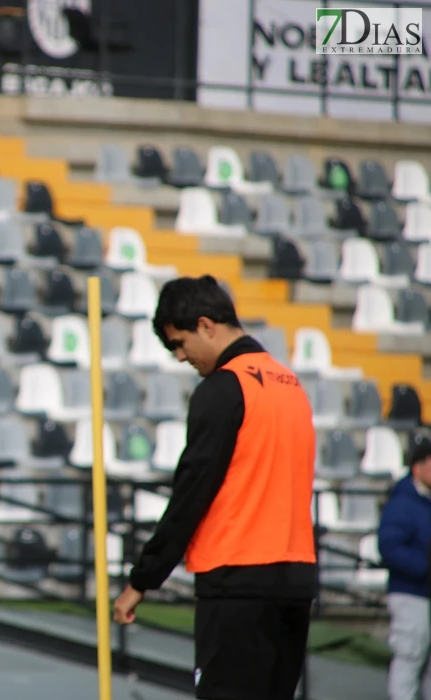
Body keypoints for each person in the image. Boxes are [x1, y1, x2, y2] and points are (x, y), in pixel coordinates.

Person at [111, 275, 318, 700]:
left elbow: (192, 492)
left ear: (206, 325)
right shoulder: (290, 384)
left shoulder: (223, 388)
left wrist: (143, 579)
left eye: (180, 343)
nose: (180, 356)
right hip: (294, 580)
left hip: (236, 581)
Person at [378, 433, 431, 700]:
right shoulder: (402, 503)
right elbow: (389, 547)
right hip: (411, 594)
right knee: (409, 658)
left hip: (424, 593)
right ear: (417, 467)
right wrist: (424, 567)